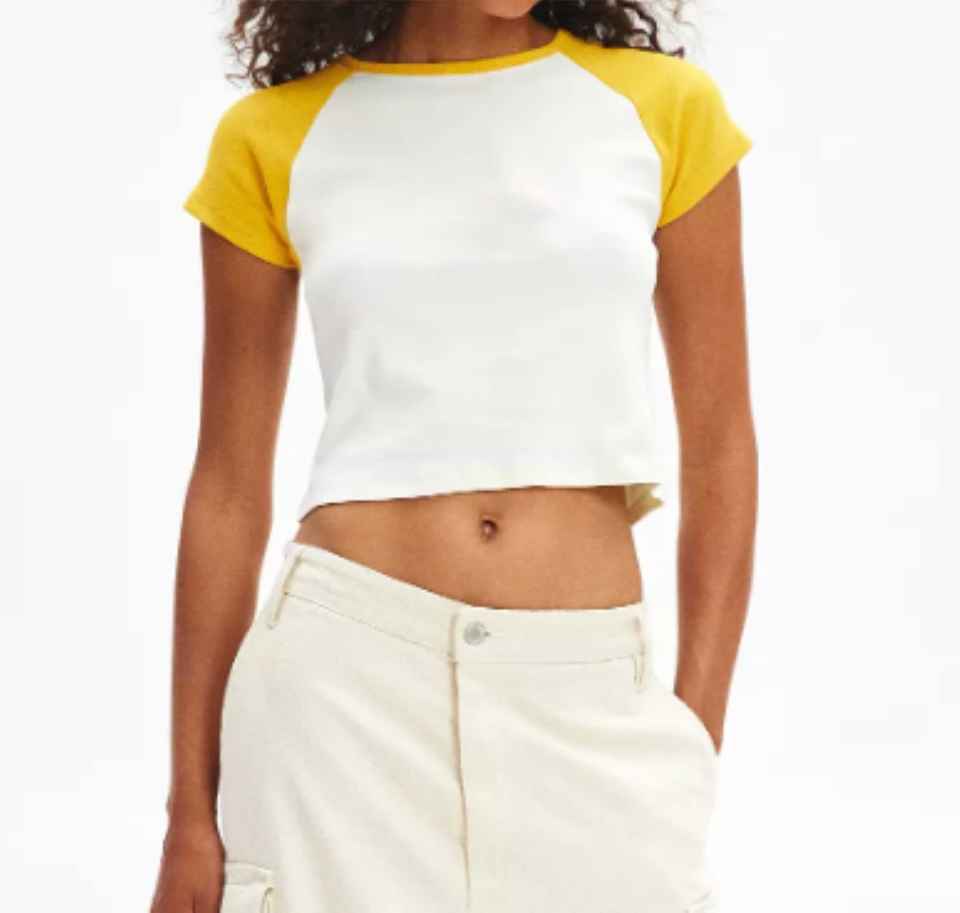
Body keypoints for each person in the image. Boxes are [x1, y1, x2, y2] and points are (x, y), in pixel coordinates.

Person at [150, 2, 757, 911]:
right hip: (340, 707)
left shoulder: (663, 109)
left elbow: (723, 449)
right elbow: (228, 489)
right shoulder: (274, 135)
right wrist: (190, 812)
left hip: (590, 707)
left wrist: (692, 746)